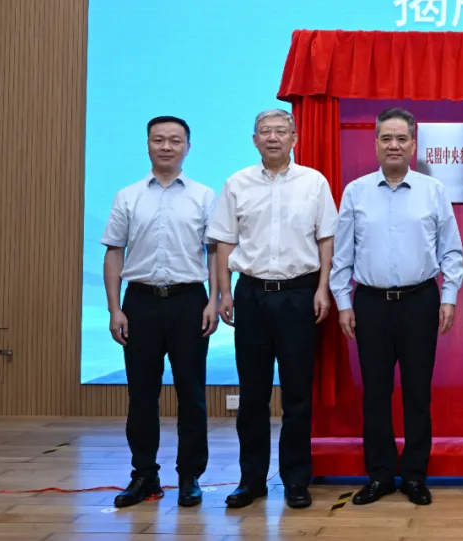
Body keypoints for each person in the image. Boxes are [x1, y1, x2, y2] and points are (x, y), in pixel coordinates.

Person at [330, 107, 463, 507]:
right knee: (375, 393)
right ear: (375, 144)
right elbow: (342, 255)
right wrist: (343, 303)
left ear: (413, 144)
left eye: (401, 138)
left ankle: (415, 475)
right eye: (386, 138)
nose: (394, 145)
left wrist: (449, 296)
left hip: (420, 301)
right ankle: (381, 475)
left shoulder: (432, 190)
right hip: (370, 304)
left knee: (418, 393)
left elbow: (451, 251)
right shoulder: (355, 192)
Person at [206, 108, 338, 510]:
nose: (273, 137)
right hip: (252, 295)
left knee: (297, 393)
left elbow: (326, 239)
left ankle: (296, 480)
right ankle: (251, 480)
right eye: (265, 131)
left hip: (299, 295)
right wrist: (224, 293)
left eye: (281, 131)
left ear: (294, 138)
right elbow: (224, 242)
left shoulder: (313, 182)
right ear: (254, 140)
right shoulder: (237, 183)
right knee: (253, 394)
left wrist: (323, 288)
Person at [102, 115, 218, 509]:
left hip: (189, 302)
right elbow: (114, 252)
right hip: (140, 303)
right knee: (141, 395)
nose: (166, 146)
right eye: (158, 139)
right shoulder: (128, 196)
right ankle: (144, 475)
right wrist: (114, 308)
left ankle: (189, 476)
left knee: (192, 394)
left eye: (174, 140)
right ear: (148, 144)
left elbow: (215, 253)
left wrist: (214, 300)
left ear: (188, 147)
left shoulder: (204, 196)